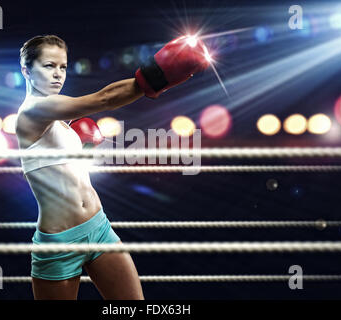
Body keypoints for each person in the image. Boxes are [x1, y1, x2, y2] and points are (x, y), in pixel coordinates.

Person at [16, 34, 209, 300]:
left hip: (99, 228)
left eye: (62, 67)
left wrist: (84, 148)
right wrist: (156, 75)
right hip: (60, 244)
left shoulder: (60, 118)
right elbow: (105, 99)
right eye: (49, 66)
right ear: (27, 70)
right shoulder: (32, 111)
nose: (58, 74)